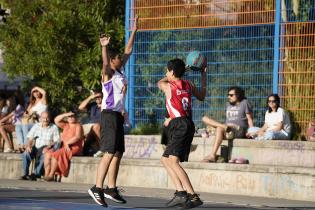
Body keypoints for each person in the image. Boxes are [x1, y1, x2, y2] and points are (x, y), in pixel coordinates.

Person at [88, 16, 138, 207]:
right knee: (109, 152)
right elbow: (104, 64)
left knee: (118, 153)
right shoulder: (108, 73)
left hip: (117, 116)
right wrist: (104, 47)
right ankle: (97, 188)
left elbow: (128, 50)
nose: (121, 59)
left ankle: (111, 188)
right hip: (108, 115)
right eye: (118, 58)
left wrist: (134, 31)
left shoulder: (120, 71)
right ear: (112, 60)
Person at [158, 58, 206, 209]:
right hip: (187, 123)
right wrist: (203, 76)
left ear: (171, 72)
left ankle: (192, 195)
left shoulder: (168, 86)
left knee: (172, 161)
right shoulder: (189, 85)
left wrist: (179, 71)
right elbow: (202, 96)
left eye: (168, 70)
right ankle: (180, 192)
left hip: (179, 124)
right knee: (165, 159)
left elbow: (159, 82)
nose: (166, 73)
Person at [202, 86, 253, 162]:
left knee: (219, 128)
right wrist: (224, 126)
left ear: (238, 95)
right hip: (227, 128)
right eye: (228, 95)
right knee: (204, 118)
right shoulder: (228, 104)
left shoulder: (244, 103)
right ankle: (222, 126)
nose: (229, 97)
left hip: (238, 129)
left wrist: (251, 131)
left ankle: (212, 155)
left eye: (231, 95)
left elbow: (250, 119)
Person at [43, 111, 84, 181]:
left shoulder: (78, 126)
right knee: (48, 154)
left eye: (72, 116)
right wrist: (66, 114)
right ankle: (46, 174)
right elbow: (56, 120)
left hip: (73, 147)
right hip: (63, 147)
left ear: (76, 118)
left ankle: (51, 175)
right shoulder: (65, 125)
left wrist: (68, 143)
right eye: (69, 117)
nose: (70, 118)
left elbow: (78, 137)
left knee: (56, 154)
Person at [20, 111, 60, 180]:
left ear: (50, 118)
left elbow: (57, 141)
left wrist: (49, 147)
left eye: (47, 118)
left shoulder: (54, 127)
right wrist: (29, 145)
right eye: (44, 118)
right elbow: (30, 137)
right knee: (26, 154)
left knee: (45, 154)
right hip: (35, 147)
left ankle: (36, 174)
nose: (45, 119)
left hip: (46, 147)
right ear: (40, 119)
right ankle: (25, 174)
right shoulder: (36, 126)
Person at [79, 91, 102, 156]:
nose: (97, 98)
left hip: (100, 126)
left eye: (99, 97)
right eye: (96, 97)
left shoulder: (106, 105)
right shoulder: (93, 105)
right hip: (90, 125)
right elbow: (80, 107)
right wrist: (90, 97)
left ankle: (103, 148)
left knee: (96, 126)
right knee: (77, 128)